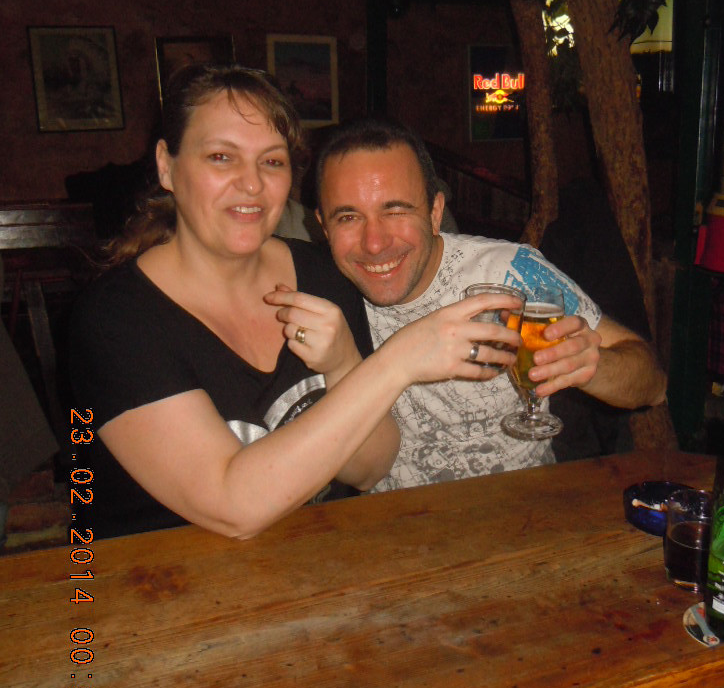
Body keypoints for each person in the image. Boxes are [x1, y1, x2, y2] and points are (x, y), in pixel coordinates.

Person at [69, 66, 521, 539]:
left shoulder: (323, 274)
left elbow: (370, 469)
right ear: (167, 165)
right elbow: (233, 506)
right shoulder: (115, 319)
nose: (251, 184)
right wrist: (398, 361)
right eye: (221, 157)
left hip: (322, 562)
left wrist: (345, 364)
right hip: (160, 576)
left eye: (271, 161)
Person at [314, 117, 668, 492]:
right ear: (323, 227)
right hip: (392, 519)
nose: (374, 243)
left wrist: (592, 367)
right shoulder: (321, 295)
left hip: (520, 507)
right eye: (348, 217)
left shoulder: (511, 271)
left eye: (395, 211)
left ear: (435, 213)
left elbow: (653, 385)